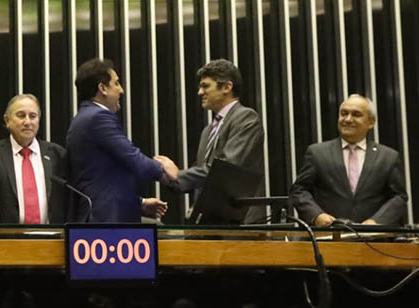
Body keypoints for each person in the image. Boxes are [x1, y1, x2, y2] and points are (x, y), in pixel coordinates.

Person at [66, 58, 175, 223]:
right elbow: (132, 157)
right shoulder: (98, 118)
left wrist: (140, 203)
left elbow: (105, 175)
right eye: (116, 83)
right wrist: (166, 171)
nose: (121, 90)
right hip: (105, 219)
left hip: (103, 214)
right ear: (102, 88)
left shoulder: (85, 117)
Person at [158, 59, 265, 224]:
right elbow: (201, 172)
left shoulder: (246, 118)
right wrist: (165, 175)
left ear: (227, 87)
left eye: (206, 86)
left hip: (239, 223)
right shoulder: (208, 131)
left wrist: (178, 175)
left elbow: (225, 170)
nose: (200, 92)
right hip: (210, 222)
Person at [289, 94, 408, 226]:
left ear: (371, 123)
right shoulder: (317, 153)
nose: (348, 119)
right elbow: (299, 190)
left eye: (356, 114)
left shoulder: (388, 157)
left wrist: (377, 221)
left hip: (374, 240)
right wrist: (317, 215)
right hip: (329, 238)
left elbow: (399, 197)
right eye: (344, 113)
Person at [0, 94, 68, 224]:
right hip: (7, 239)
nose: (27, 122)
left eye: (33, 116)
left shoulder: (57, 155)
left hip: (52, 238)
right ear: (7, 120)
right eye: (21, 115)